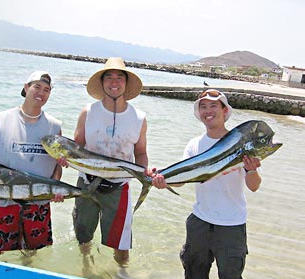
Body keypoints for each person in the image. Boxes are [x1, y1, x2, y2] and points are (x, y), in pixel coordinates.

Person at [153, 89, 262, 279]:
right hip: (199, 221)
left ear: (225, 111)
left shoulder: (241, 142)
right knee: (193, 274)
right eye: (203, 107)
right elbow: (182, 180)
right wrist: (163, 180)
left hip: (231, 225)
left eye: (213, 106)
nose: (208, 111)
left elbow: (254, 186)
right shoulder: (194, 145)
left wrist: (251, 169)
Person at [59, 57, 151, 277]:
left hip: (119, 187)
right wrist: (64, 158)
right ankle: (85, 266)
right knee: (83, 233)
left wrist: (145, 171)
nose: (114, 82)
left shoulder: (139, 118)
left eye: (119, 77)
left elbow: (140, 153)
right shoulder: (88, 112)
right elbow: (77, 145)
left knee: (121, 242)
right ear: (101, 83)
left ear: (126, 84)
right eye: (108, 77)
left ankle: (121, 272)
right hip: (87, 184)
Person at [0, 71, 64, 260]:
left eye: (47, 90)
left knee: (33, 256)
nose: (41, 93)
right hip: (4, 202)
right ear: (26, 87)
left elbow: (56, 165)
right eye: (37, 86)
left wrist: (55, 186)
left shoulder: (54, 125)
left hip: (38, 203)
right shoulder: (1, 119)